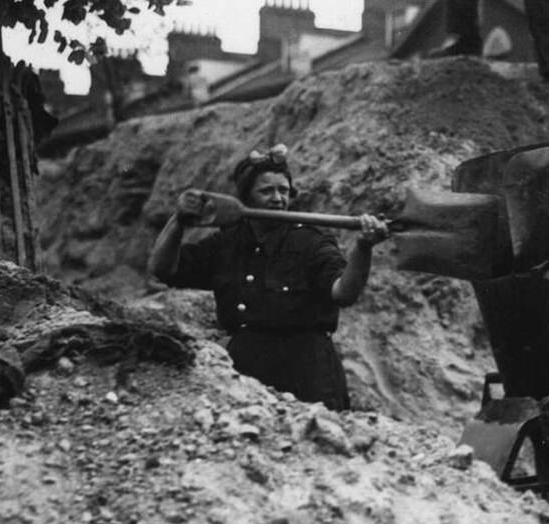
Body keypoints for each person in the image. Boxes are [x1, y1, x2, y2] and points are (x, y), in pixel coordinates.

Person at [148, 145, 388, 411]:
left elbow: (344, 292)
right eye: (266, 191)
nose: (277, 198)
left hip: (307, 374)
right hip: (246, 374)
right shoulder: (227, 242)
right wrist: (178, 222)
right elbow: (162, 269)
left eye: (283, 191)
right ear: (246, 197)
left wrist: (364, 248)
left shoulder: (310, 242)